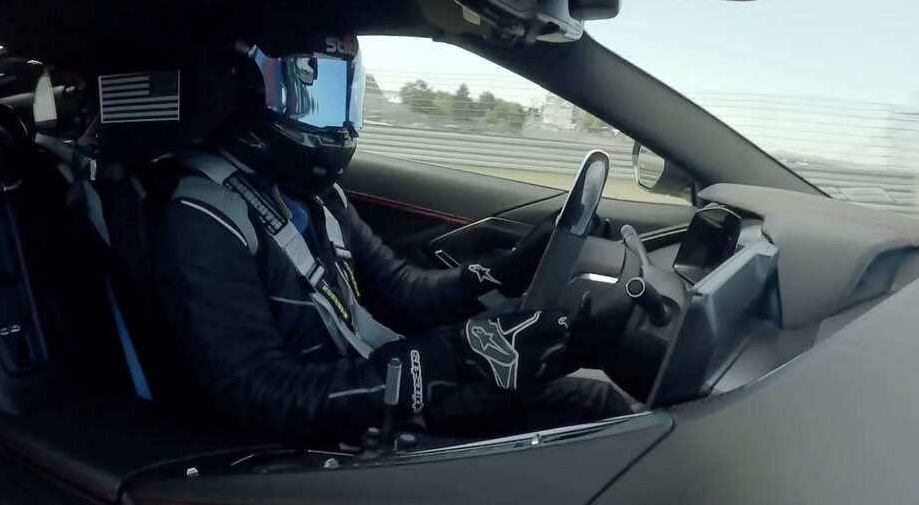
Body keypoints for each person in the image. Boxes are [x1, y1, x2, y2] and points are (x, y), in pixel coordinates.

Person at [152, 35, 630, 442]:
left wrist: (507, 268)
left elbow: (403, 292)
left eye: (344, 94)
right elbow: (262, 395)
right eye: (313, 95)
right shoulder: (200, 217)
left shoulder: (320, 199)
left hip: (374, 397)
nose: (338, 122)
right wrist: (455, 356)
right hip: (319, 443)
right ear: (248, 92)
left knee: (598, 404)